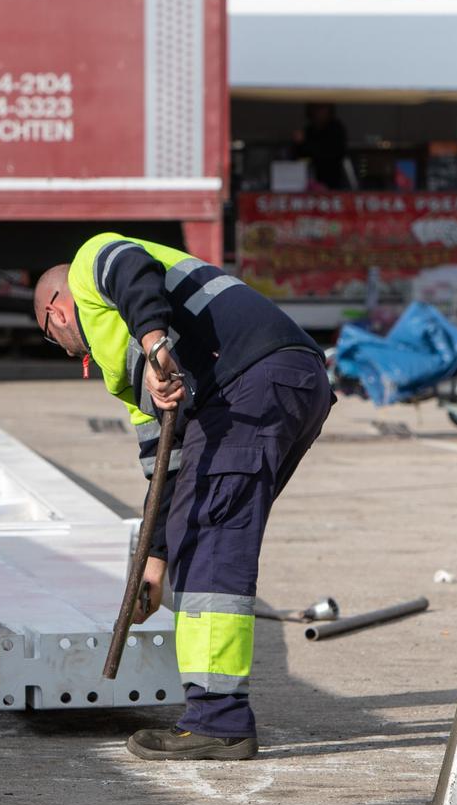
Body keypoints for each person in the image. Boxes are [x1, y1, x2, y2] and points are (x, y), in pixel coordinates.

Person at [33, 234, 333, 760]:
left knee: (214, 544)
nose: (62, 349)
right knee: (199, 529)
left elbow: (133, 270)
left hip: (249, 381)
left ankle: (218, 721)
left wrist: (153, 345)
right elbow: (167, 471)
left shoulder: (90, 263)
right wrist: (153, 561)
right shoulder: (119, 373)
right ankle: (215, 713)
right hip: (289, 381)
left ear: (56, 312)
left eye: (50, 336)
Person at [296, 102, 353, 191]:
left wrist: (305, 143)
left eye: (322, 108)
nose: (318, 112)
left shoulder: (336, 129)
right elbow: (299, 156)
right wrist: (299, 143)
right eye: (315, 108)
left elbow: (332, 153)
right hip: (309, 180)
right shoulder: (309, 130)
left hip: (334, 179)